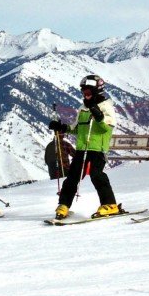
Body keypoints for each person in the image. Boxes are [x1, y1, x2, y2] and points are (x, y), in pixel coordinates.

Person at [48, 74, 118, 219]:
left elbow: (106, 128)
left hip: (97, 149)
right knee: (72, 177)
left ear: (97, 90)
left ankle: (110, 204)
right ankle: (64, 205)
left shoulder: (106, 107)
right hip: (82, 149)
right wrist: (61, 127)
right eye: (84, 91)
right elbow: (76, 128)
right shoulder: (83, 108)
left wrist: (98, 116)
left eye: (88, 91)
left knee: (96, 175)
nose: (85, 94)